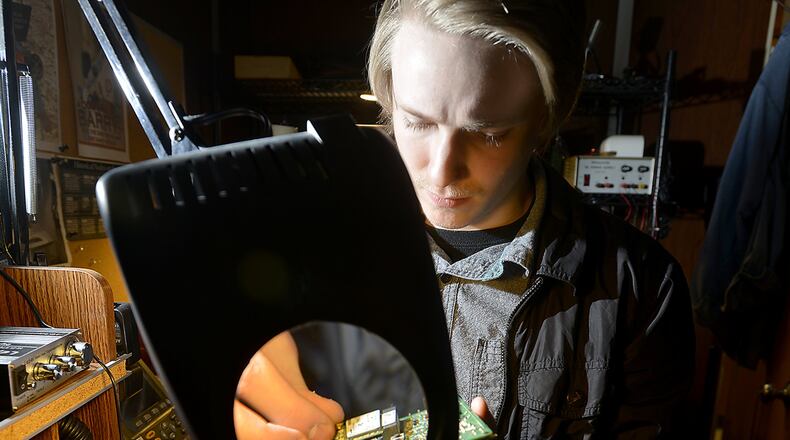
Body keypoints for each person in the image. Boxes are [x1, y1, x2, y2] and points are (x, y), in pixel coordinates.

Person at [234, 1, 695, 439]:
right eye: (416, 122)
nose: (441, 170)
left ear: (547, 117)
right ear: (389, 95)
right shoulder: (301, 248)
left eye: (488, 134)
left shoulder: (640, 290)